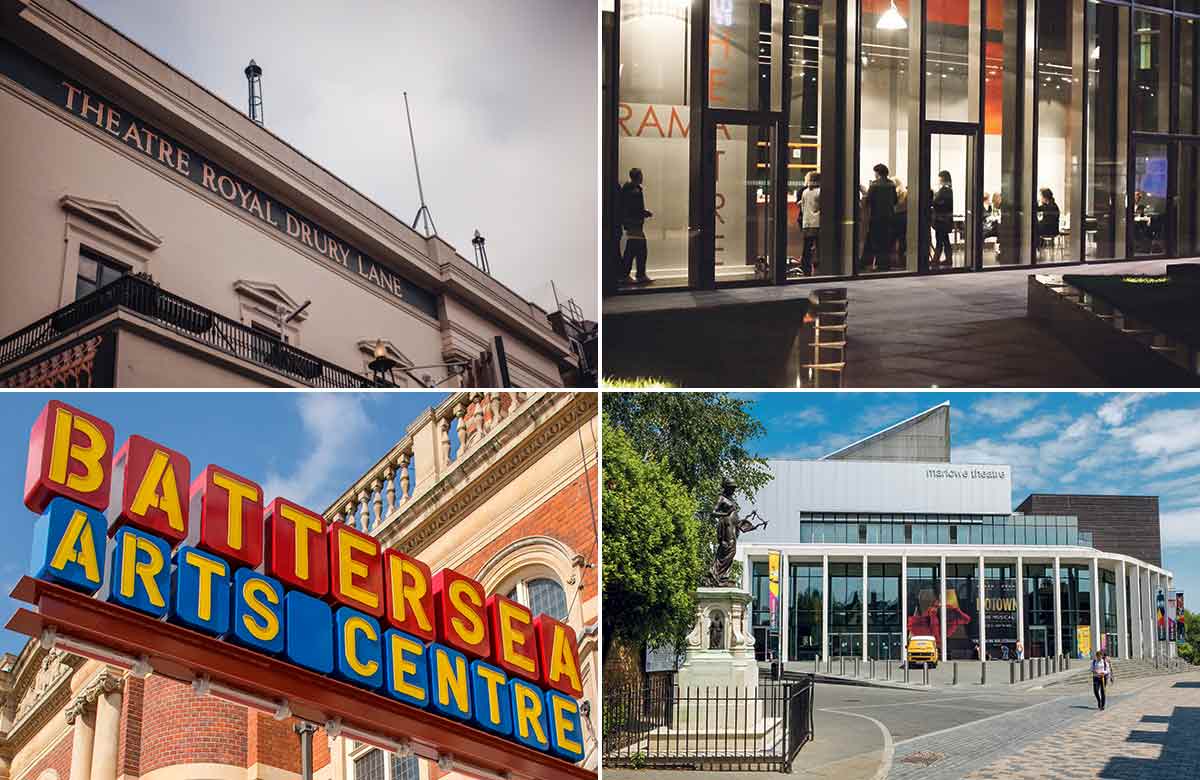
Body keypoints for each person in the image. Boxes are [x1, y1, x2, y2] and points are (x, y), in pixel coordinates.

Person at [618, 168, 653, 285]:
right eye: (641, 175)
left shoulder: (631, 189)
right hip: (634, 224)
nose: (642, 177)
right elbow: (633, 208)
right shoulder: (633, 190)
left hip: (633, 224)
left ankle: (633, 274)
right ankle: (630, 274)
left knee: (635, 248)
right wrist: (644, 213)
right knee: (636, 249)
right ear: (637, 176)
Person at [861, 164, 898, 271]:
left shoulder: (874, 185)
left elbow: (868, 201)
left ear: (877, 173)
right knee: (885, 241)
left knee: (873, 240)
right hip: (889, 217)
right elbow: (895, 201)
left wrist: (864, 192)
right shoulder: (892, 185)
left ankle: (866, 263)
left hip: (876, 217)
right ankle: (884, 264)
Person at [930, 170, 954, 267]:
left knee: (940, 240)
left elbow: (938, 203)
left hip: (941, 219)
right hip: (945, 219)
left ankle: (937, 259)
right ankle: (947, 259)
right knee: (944, 240)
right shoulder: (948, 189)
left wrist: (933, 202)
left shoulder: (945, 190)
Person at [799, 171, 822, 275]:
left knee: (807, 246)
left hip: (806, 222)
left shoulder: (805, 192)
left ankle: (805, 266)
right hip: (816, 222)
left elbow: (803, 207)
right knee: (819, 245)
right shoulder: (820, 192)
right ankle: (819, 265)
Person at [892, 178, 908, 269]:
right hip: (904, 216)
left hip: (898, 216)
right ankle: (901, 259)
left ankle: (897, 260)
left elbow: (898, 204)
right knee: (902, 238)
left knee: (896, 238)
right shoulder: (904, 191)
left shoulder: (899, 191)